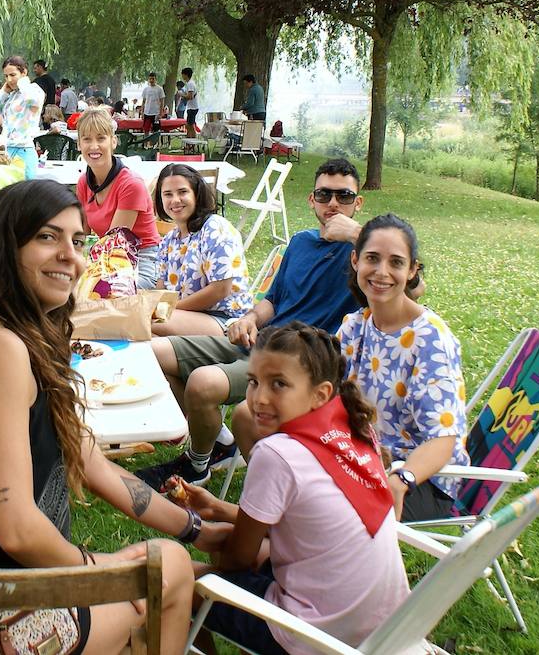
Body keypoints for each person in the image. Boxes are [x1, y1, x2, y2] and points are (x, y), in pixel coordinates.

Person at [0, 179, 211, 653]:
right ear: (3, 247)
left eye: (77, 241)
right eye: (47, 236)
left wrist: (195, 529)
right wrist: (97, 571)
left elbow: (89, 460)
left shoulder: (23, 336)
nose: (71, 255)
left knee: (173, 561)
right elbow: (16, 526)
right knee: (172, 574)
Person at [135, 158, 367, 490]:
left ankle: (197, 464)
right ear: (311, 199)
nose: (332, 203)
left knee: (202, 382)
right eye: (324, 194)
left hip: (298, 361)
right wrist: (250, 317)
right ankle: (220, 443)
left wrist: (358, 235)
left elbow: (412, 287)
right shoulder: (300, 242)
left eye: (343, 196)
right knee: (150, 353)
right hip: (257, 339)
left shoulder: (364, 256)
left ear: (357, 202)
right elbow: (273, 299)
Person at [180, 322, 410, 655]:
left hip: (315, 635)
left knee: (172, 578)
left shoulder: (277, 454)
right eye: (254, 382)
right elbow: (313, 527)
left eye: (279, 385)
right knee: (246, 552)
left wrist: (203, 537)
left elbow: (238, 559)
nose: (259, 398)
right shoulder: (354, 427)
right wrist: (220, 510)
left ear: (320, 394)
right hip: (381, 628)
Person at [334, 213, 467, 521]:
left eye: (396, 262)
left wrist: (403, 478)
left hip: (420, 482)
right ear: (355, 261)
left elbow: (443, 439)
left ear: (412, 271)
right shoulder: (356, 326)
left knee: (319, 504)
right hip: (363, 458)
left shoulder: (430, 340)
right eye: (372, 258)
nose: (382, 272)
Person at [150, 164, 253, 337]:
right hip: (186, 315)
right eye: (168, 194)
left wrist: (168, 307)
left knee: (149, 321)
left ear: (196, 194)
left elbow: (220, 290)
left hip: (225, 319)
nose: (175, 200)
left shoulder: (215, 228)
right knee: (138, 323)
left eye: (182, 192)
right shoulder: (169, 240)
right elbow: (162, 288)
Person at [74, 109, 160, 289]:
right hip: (103, 257)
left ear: (113, 142)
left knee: (101, 292)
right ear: (79, 144)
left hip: (142, 260)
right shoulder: (83, 183)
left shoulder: (130, 184)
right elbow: (82, 235)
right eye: (87, 139)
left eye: (101, 138)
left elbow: (114, 244)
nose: (94, 146)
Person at [0, 55, 45, 178]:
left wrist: (23, 82)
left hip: (24, 148)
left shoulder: (34, 90)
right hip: (5, 149)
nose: (9, 79)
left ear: (24, 72)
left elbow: (33, 101)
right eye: (6, 76)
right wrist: (3, 92)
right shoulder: (10, 95)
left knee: (26, 191)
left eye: (13, 75)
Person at [179, 67, 199, 133]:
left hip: (193, 108)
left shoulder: (190, 84)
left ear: (186, 75)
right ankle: (190, 139)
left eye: (182, 74)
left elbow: (190, 96)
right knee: (189, 125)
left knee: (189, 125)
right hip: (191, 107)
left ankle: (192, 140)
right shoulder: (189, 83)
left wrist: (181, 94)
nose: (182, 76)